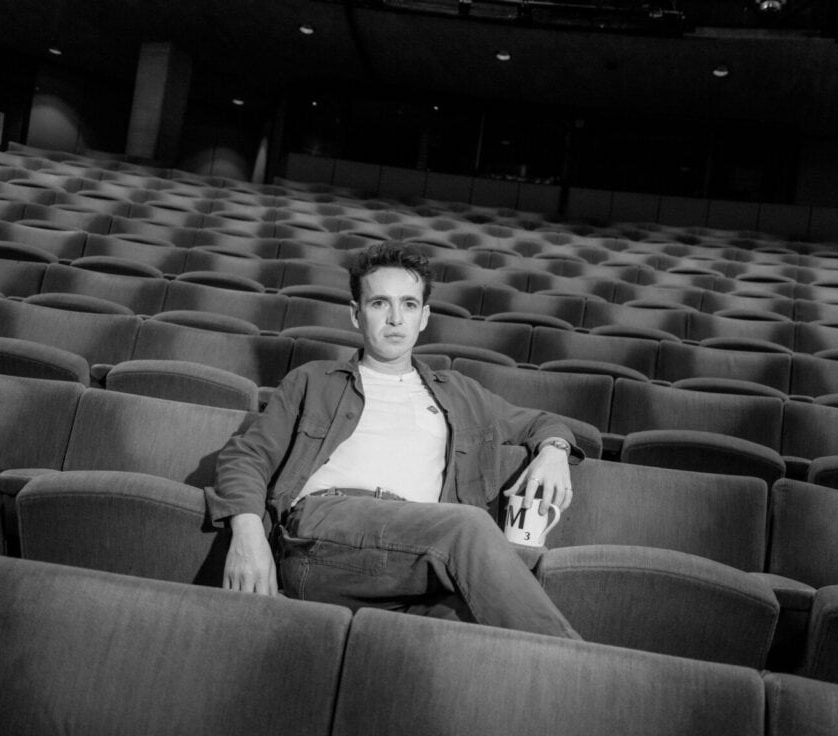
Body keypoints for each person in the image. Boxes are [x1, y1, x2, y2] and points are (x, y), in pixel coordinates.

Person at [205, 241, 585, 639]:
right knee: (468, 527)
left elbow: (542, 422)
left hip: (414, 561)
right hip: (324, 538)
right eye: (379, 304)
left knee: (477, 627)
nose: (394, 319)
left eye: (407, 304)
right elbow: (246, 457)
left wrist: (554, 451)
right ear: (356, 314)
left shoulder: (460, 393)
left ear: (424, 317)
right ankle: (591, 676)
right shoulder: (313, 380)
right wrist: (248, 536)